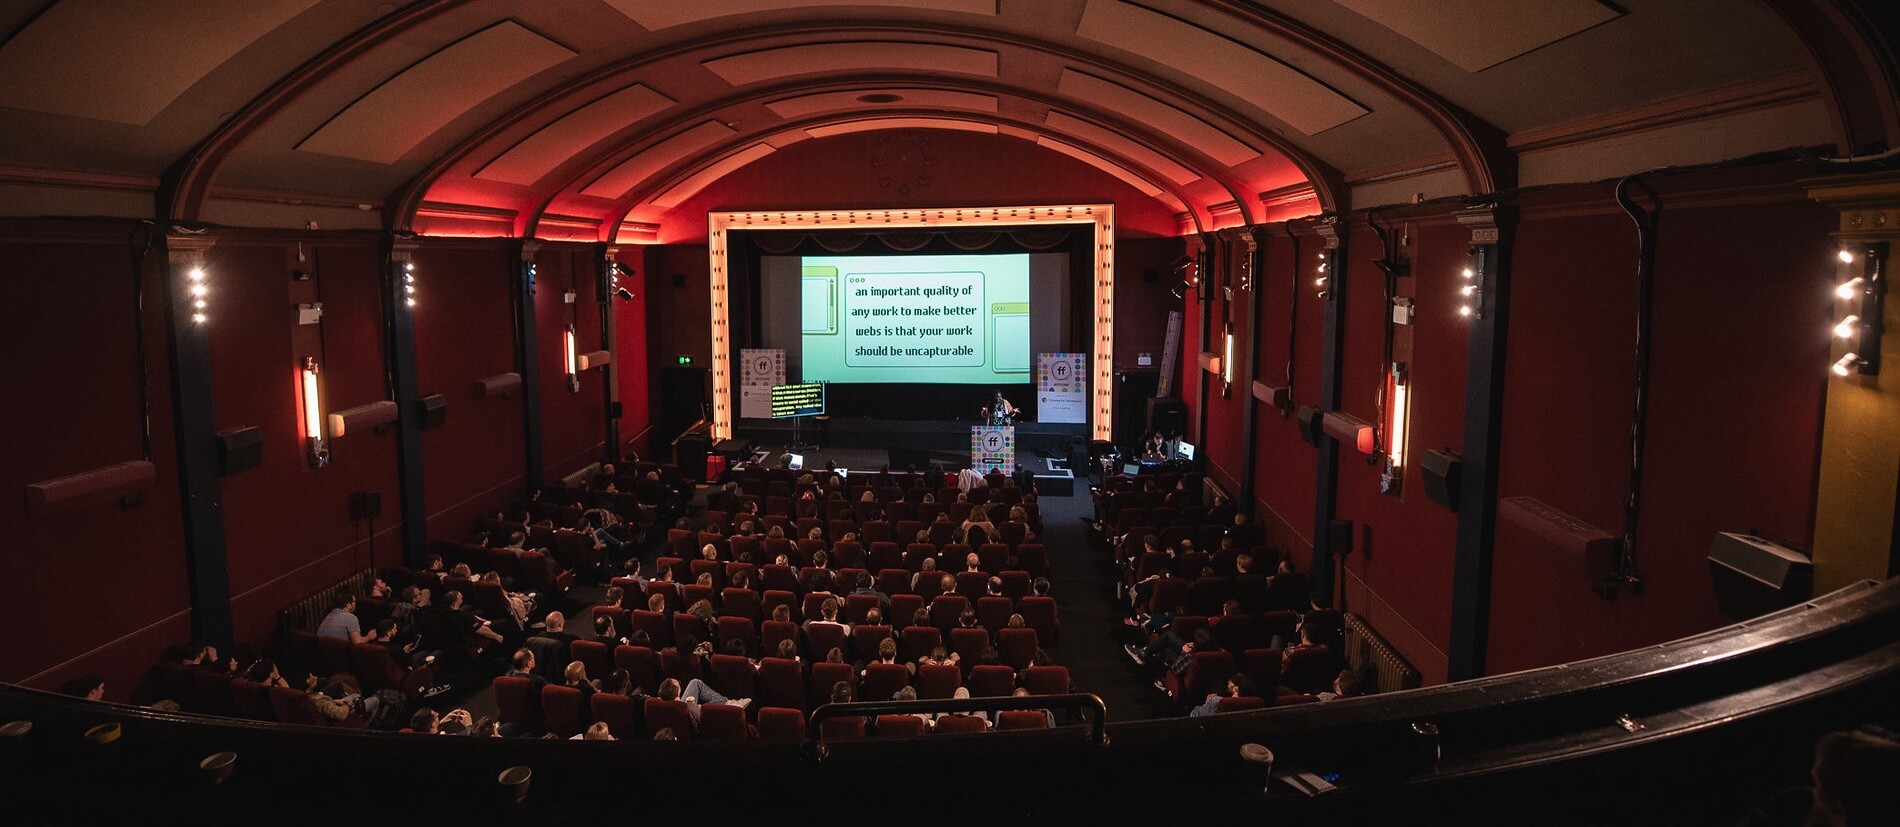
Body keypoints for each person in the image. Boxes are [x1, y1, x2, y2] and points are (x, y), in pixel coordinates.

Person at [1190, 675, 1260, 717]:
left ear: (1236, 688)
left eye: (1230, 681)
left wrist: (1207, 704)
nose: (1228, 683)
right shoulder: (1255, 703)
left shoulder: (1218, 700)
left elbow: (1194, 715)